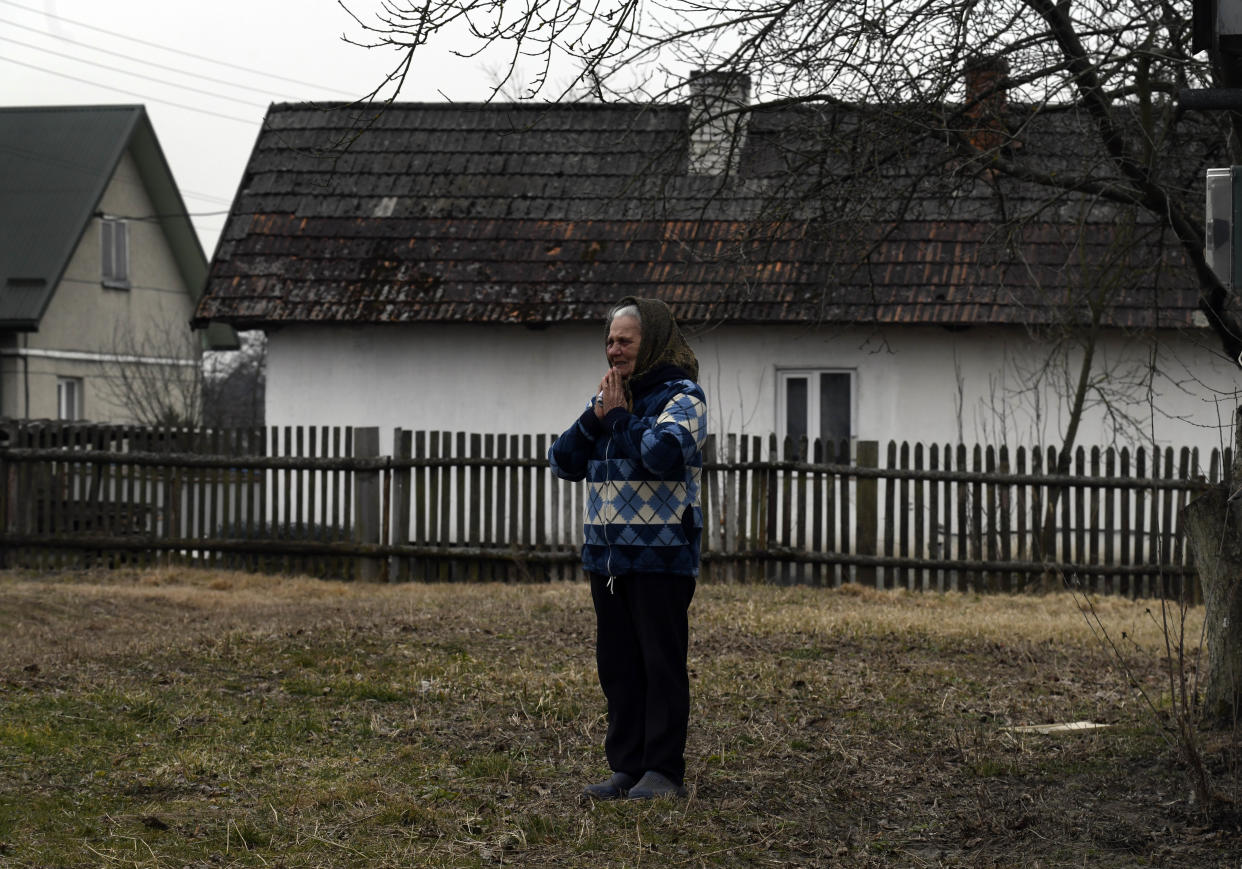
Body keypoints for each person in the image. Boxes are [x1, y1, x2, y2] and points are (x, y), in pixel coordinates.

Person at [548, 296, 708, 801]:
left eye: (625, 341)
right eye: (610, 341)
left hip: (661, 559)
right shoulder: (611, 399)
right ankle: (627, 767)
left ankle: (662, 772)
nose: (614, 351)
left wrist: (619, 419)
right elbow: (562, 462)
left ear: (653, 342)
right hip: (608, 558)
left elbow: (663, 456)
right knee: (618, 665)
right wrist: (596, 418)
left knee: (660, 665)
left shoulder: (684, 398)